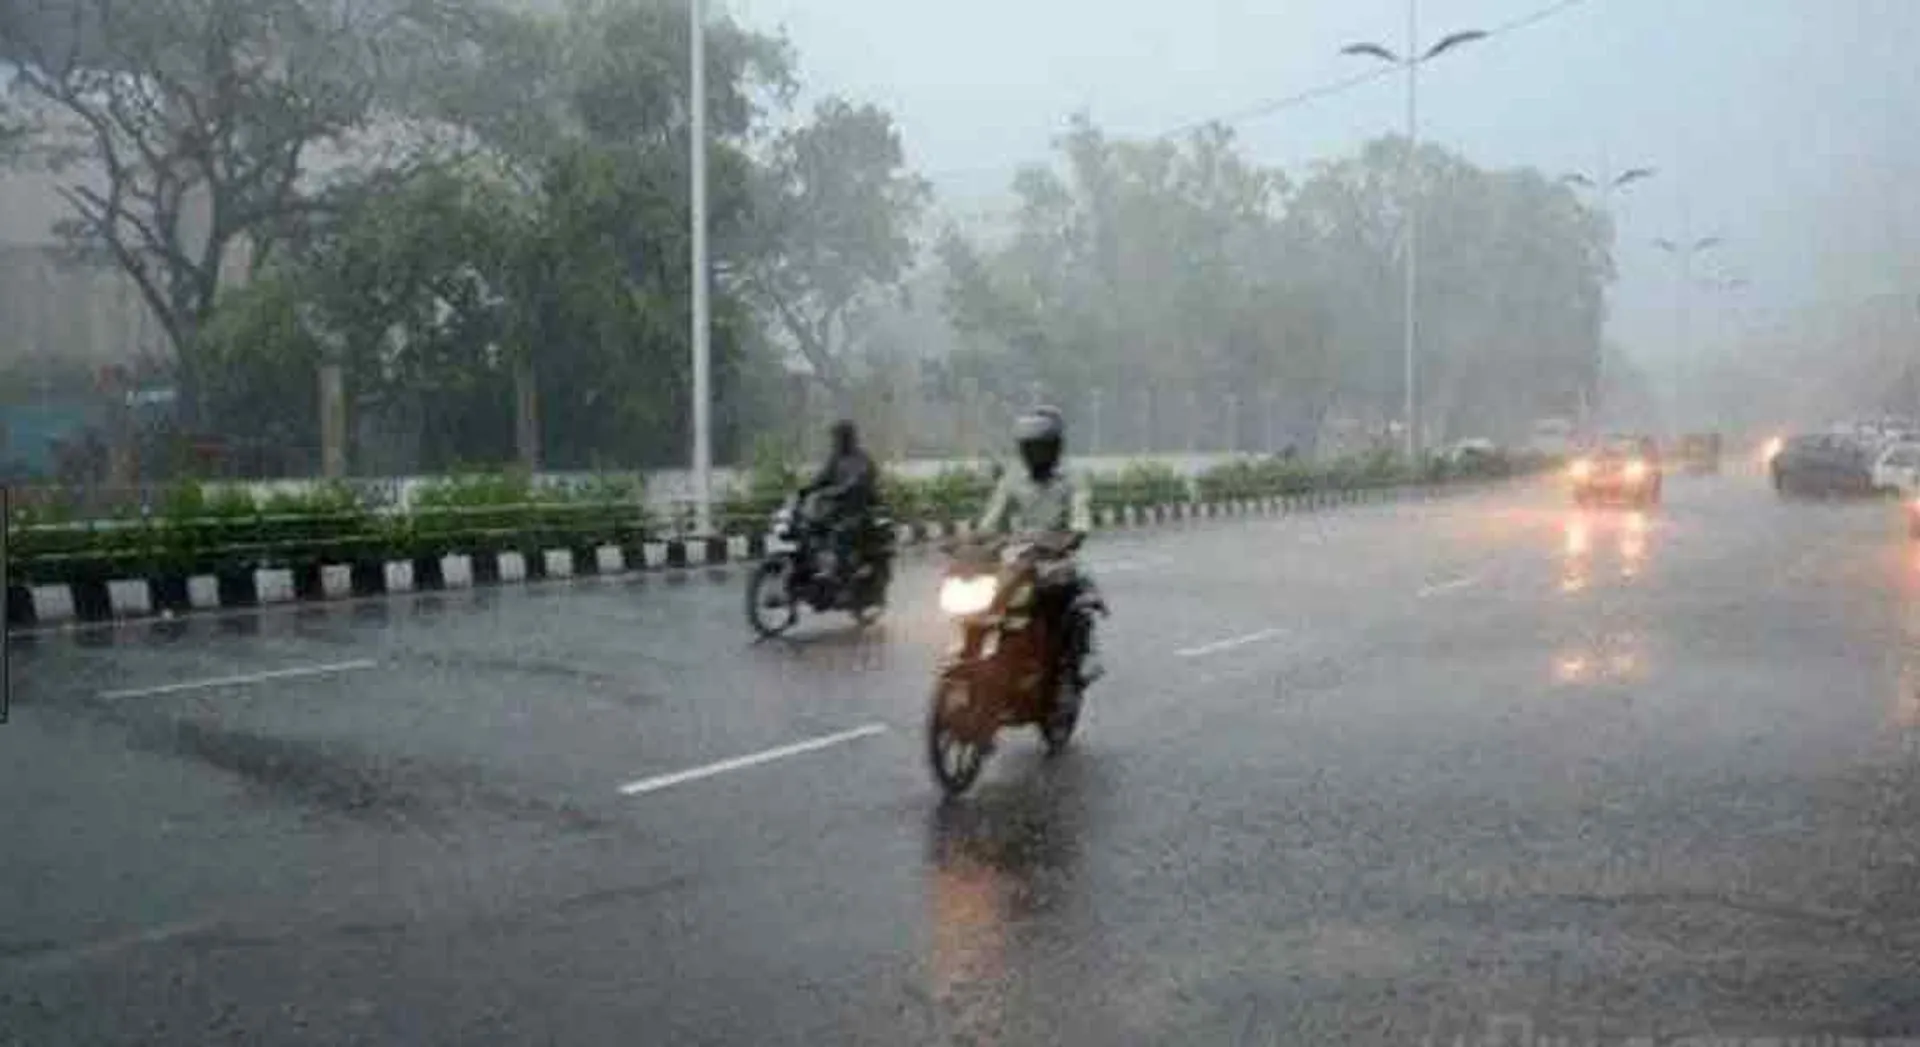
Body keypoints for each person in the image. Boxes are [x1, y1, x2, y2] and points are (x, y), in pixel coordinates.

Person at [975, 406, 1106, 689]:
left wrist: (1070, 537)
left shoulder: (1073, 478)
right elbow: (991, 519)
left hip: (1056, 556)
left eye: (1040, 446)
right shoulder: (1012, 477)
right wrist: (976, 541)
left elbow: (1080, 519)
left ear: (1055, 447)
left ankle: (1084, 655)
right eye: (1029, 447)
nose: (1034, 453)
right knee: (986, 595)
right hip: (1019, 554)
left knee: (1080, 590)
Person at [799, 419, 878, 583]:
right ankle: (814, 566)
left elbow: (857, 482)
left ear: (849, 438)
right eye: (835, 438)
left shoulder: (862, 460)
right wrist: (806, 490)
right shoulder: (835, 459)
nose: (835, 442)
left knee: (841, 533)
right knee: (807, 528)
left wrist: (838, 491)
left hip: (857, 511)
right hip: (836, 510)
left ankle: (842, 571)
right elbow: (822, 478)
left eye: (839, 438)